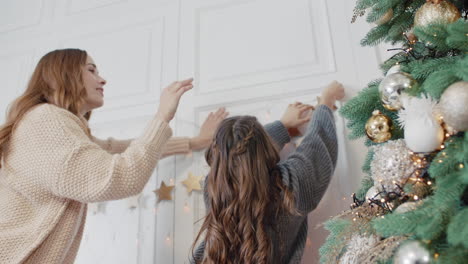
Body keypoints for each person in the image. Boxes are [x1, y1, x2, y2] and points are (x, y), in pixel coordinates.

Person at [0, 48, 226, 264]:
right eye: (91, 70)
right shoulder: (46, 122)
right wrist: (162, 115)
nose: (102, 79)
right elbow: (121, 177)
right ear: (64, 74)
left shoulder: (49, 125)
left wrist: (195, 142)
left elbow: (118, 149)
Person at [191, 81, 345, 264]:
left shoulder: (214, 187)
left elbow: (240, 155)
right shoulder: (292, 184)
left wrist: (282, 126)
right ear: (264, 146)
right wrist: (326, 100)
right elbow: (319, 140)